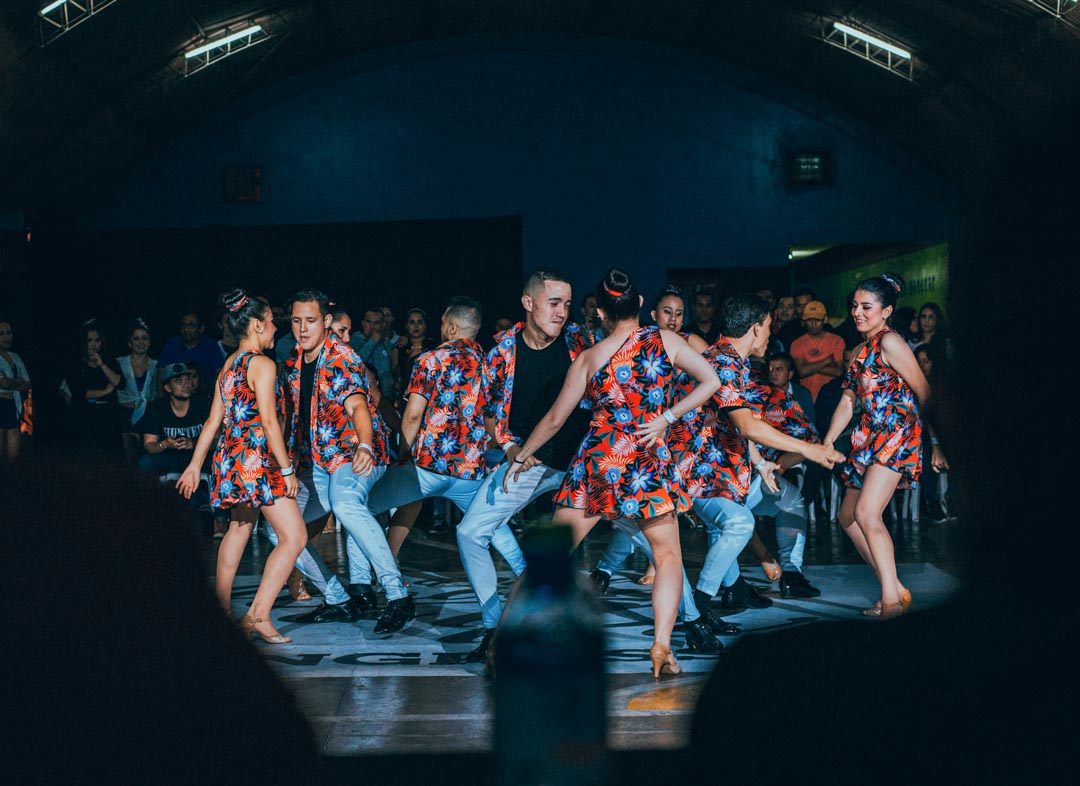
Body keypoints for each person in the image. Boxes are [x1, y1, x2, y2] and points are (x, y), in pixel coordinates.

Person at [506, 267, 722, 678]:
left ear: (601, 313)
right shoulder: (666, 341)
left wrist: (522, 457)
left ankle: (502, 644)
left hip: (601, 462)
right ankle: (661, 645)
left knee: (550, 559)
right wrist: (667, 417)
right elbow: (711, 380)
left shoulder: (589, 358)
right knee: (668, 556)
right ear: (641, 305)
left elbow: (554, 419)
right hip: (647, 461)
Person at [454, 266, 596, 665]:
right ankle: (493, 627)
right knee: (469, 531)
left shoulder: (580, 342)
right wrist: (510, 444)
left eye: (567, 304)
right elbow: (484, 411)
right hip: (530, 461)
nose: (561, 311)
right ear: (528, 303)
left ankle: (691, 615)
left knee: (651, 530)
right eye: (554, 303)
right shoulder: (501, 351)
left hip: (584, 462)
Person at [685, 295, 843, 619]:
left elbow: (735, 424)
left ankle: (737, 590)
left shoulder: (733, 361)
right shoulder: (724, 362)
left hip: (729, 471)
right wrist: (808, 448)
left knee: (778, 502)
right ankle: (698, 609)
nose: (771, 335)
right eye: (769, 327)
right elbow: (747, 424)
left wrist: (760, 464)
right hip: (705, 475)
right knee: (737, 522)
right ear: (756, 328)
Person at [280, 289, 416, 635]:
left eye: (310, 321)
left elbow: (358, 405)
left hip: (353, 454)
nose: (303, 328)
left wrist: (366, 445)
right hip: (318, 463)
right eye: (296, 321)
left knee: (345, 503)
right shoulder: (294, 362)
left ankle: (398, 595)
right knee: (278, 524)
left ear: (326, 321)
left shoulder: (342, 357)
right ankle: (338, 597)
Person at [177, 288, 307, 645]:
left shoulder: (228, 365)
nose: (275, 330)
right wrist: (286, 469)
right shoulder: (262, 364)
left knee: (239, 528)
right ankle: (258, 615)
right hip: (257, 459)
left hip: (230, 457)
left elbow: (212, 422)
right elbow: (268, 421)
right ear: (254, 324)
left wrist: (194, 465)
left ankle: (218, 613)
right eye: (270, 323)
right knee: (294, 536)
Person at [367, 298, 526, 577]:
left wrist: (404, 452)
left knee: (363, 510)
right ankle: (525, 574)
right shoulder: (490, 365)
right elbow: (496, 414)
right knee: (495, 525)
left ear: (452, 328)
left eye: (442, 323)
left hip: (427, 466)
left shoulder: (430, 360)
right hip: (469, 470)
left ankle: (378, 578)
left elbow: (413, 415)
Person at [823, 274, 932, 620]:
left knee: (867, 514)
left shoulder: (891, 343)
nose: (857, 312)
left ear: (885, 311)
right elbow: (846, 401)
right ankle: (895, 587)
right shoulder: (860, 351)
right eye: (854, 306)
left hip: (897, 434)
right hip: (868, 438)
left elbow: (925, 392)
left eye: (866, 307)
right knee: (848, 517)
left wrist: (938, 444)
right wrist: (826, 442)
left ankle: (891, 602)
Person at [61, 318, 125, 459]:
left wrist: (102, 365)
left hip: (108, 416)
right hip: (85, 417)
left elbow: (120, 383)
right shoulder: (76, 365)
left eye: (97, 340)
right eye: (89, 340)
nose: (93, 345)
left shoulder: (109, 361)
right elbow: (79, 393)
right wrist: (105, 391)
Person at [137, 362, 210, 478]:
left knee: (221, 459)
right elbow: (149, 445)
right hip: (169, 457)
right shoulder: (157, 408)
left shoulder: (203, 404)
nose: (186, 385)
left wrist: (194, 444)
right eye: (179, 381)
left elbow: (218, 440)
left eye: (187, 380)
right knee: (145, 462)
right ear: (167, 388)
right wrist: (165, 444)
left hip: (198, 457)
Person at [117, 318, 158, 463]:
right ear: (130, 343)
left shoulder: (156, 365)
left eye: (144, 338)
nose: (141, 342)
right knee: (129, 457)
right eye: (137, 338)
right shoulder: (119, 362)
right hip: (125, 414)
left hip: (149, 414)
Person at [157, 309, 226, 395]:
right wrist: (161, 400)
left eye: (191, 325)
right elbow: (161, 374)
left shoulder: (210, 346)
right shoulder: (172, 344)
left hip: (204, 398)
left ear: (201, 329)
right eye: (183, 325)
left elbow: (220, 374)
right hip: (175, 399)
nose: (186, 329)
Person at [790, 300, 845, 403]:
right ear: (803, 322)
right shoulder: (797, 344)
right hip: (807, 397)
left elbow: (838, 372)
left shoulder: (837, 341)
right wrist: (827, 361)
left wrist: (809, 365)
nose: (813, 324)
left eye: (817, 320)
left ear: (825, 320)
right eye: (809, 320)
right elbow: (802, 372)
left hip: (831, 397)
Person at [0, 316, 31, 463]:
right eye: (2, 334)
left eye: (9, 333)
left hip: (12, 407)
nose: (6, 337)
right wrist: (16, 381)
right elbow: (4, 383)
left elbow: (27, 383)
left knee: (13, 457)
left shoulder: (16, 357)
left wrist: (12, 383)